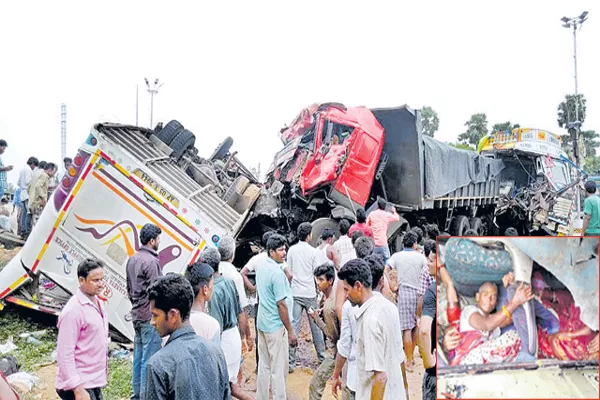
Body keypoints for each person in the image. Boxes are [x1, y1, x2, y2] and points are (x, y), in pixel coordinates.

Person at [145, 274, 231, 400]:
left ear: (173, 315)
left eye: (155, 315)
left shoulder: (159, 365)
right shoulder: (216, 352)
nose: (152, 322)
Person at [338, 259, 407, 400]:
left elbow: (380, 377)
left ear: (358, 286)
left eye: (346, 289)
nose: (345, 295)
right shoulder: (388, 307)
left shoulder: (370, 321)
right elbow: (400, 357)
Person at [200, 246, 253, 400]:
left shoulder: (213, 290)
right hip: (234, 335)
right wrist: (244, 336)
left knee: (222, 387)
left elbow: (217, 328)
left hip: (223, 340)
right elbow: (240, 311)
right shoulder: (229, 282)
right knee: (230, 384)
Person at [55, 259, 108, 400]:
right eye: (95, 280)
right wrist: (77, 389)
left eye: (102, 279)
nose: (101, 284)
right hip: (80, 383)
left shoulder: (97, 302)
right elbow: (64, 354)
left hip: (93, 380)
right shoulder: (73, 311)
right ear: (81, 280)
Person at [451, 280, 533, 365]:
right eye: (485, 295)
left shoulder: (493, 319)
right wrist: (514, 302)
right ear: (477, 297)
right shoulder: (469, 311)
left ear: (495, 303)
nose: (489, 300)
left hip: (483, 363)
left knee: (517, 336)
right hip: (466, 361)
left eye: (493, 297)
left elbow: (508, 319)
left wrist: (508, 285)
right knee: (512, 337)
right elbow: (487, 324)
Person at [256, 234, 297, 400]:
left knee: (264, 367)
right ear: (271, 251)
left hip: (262, 323)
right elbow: (282, 305)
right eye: (280, 250)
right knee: (278, 369)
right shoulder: (277, 274)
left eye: (284, 249)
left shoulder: (262, 268)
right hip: (275, 326)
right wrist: (291, 330)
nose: (284, 252)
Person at [125, 224, 163, 400]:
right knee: (149, 361)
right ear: (152, 240)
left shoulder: (132, 259)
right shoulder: (152, 262)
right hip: (149, 317)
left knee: (139, 359)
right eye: (158, 239)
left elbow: (129, 287)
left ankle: (137, 396)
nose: (159, 242)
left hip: (137, 315)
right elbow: (157, 292)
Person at [385, 231, 429, 370]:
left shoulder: (397, 256)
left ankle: (408, 360)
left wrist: (393, 286)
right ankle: (411, 357)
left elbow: (386, 269)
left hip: (404, 292)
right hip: (419, 293)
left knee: (406, 329)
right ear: (415, 244)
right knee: (415, 325)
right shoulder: (421, 258)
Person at [287, 222, 326, 372]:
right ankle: (322, 358)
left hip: (295, 292)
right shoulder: (313, 252)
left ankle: (290, 363)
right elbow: (317, 272)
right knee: (316, 327)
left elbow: (289, 272)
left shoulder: (291, 251)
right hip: (309, 293)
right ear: (309, 235)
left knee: (294, 326)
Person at [308, 263, 339, 400]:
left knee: (315, 386)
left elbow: (332, 335)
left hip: (336, 353)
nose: (318, 283)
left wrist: (316, 319)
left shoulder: (328, 305)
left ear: (330, 281)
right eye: (317, 280)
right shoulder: (334, 294)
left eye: (321, 280)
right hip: (341, 351)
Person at [218, 236, 253, 352]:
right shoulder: (234, 276)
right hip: (229, 330)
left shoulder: (212, 270)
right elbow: (241, 310)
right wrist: (245, 336)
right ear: (232, 255)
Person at [185, 262, 221, 344]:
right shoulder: (212, 325)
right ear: (205, 289)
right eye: (212, 284)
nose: (213, 288)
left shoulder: (176, 320)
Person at [418, 281, 436, 400]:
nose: (428, 264)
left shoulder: (432, 292)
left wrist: (428, 361)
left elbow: (424, 330)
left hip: (435, 372)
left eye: (430, 260)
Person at [27, 162, 56, 227]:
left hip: (32, 200)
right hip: (38, 202)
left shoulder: (36, 174)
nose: (53, 175)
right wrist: (43, 197)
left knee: (33, 220)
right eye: (53, 172)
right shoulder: (44, 176)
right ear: (49, 170)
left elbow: (29, 187)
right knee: (37, 221)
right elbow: (38, 186)